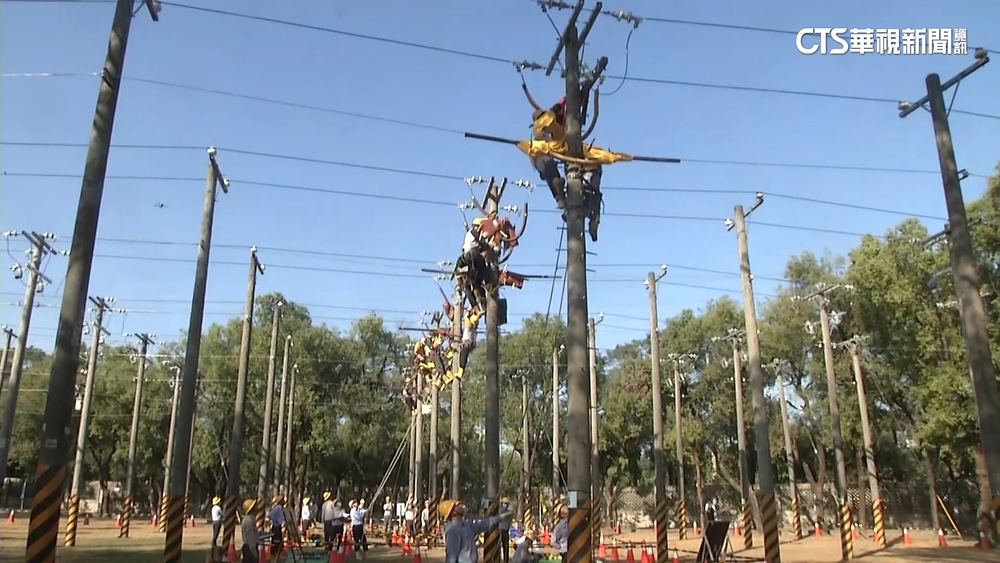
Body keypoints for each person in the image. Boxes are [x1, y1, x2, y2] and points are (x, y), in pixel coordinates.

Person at [441, 499, 513, 563]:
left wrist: (501, 517)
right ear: (454, 512)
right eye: (457, 506)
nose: (462, 507)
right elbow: (451, 557)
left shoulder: (467, 525)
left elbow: (484, 524)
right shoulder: (452, 530)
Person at [241, 498, 261, 563]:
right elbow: (251, 537)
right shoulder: (248, 521)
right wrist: (254, 552)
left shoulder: (251, 519)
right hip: (250, 549)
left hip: (250, 548)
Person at [499, 496, 512, 563]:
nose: (505, 505)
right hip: (503, 530)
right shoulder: (508, 512)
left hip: (503, 530)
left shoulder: (501, 511)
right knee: (505, 547)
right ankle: (505, 560)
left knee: (503, 547)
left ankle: (503, 560)